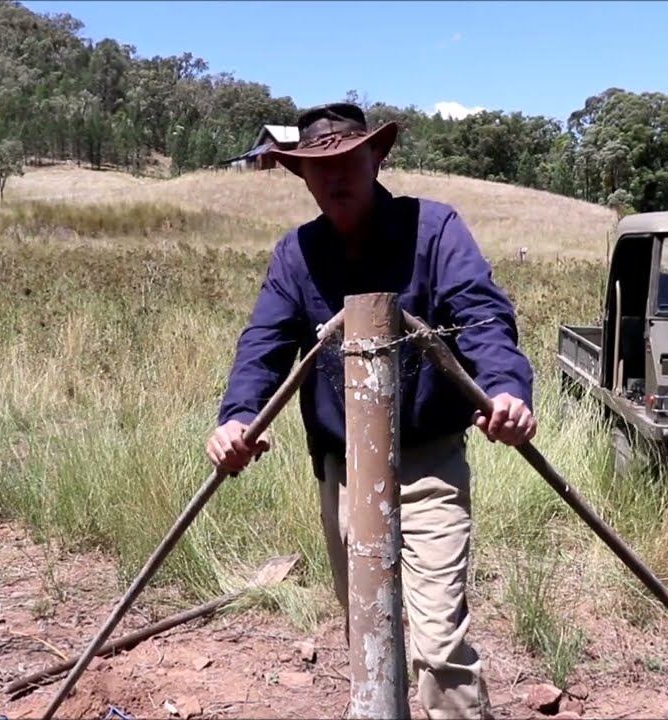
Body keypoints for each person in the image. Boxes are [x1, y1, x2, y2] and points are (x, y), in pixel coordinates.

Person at [206, 102, 536, 719]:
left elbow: (484, 315)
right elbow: (264, 345)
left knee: (439, 644)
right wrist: (237, 418)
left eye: (346, 160)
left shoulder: (434, 230)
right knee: (368, 634)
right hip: (345, 473)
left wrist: (507, 391)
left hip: (427, 466)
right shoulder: (296, 254)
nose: (334, 177)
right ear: (300, 176)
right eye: (316, 166)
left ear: (375, 157)